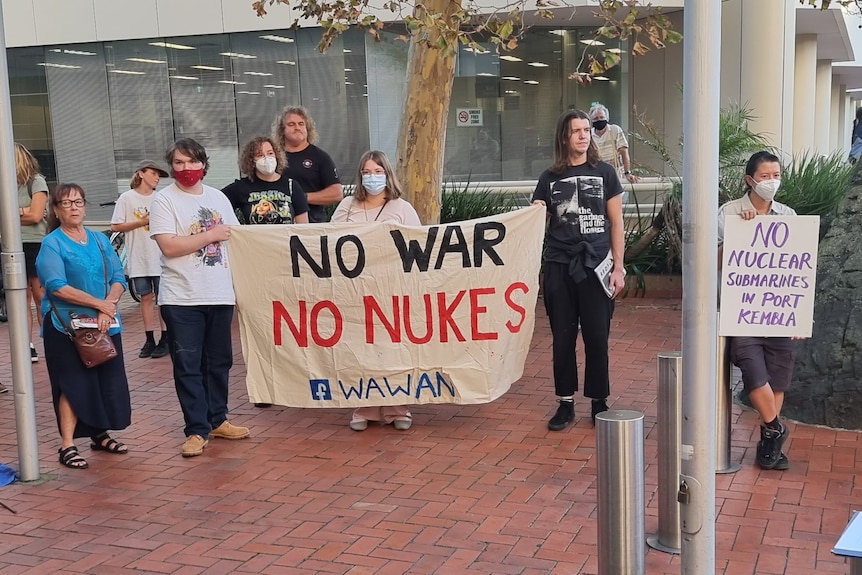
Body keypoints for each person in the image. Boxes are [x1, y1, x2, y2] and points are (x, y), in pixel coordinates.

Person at [149, 138, 249, 457]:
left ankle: (217, 418)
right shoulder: (163, 201)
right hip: (181, 297)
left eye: (192, 162)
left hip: (218, 293)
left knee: (219, 361)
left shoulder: (218, 198)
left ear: (203, 165)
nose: (186, 169)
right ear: (171, 167)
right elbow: (169, 246)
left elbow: (236, 242)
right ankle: (196, 429)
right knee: (188, 363)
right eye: (178, 163)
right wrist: (210, 235)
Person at [531, 109, 625, 431]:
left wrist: (619, 268)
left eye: (586, 129)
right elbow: (537, 225)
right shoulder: (548, 178)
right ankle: (565, 403)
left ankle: (599, 401)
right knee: (563, 337)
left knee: (598, 337)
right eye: (576, 131)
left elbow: (616, 223)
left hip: (597, 266)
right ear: (564, 137)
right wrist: (536, 211)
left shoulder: (606, 173)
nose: (584, 135)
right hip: (559, 266)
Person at [36, 183, 132, 470]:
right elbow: (56, 286)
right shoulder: (52, 243)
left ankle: (99, 434)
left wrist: (109, 305)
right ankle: (67, 444)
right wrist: (99, 304)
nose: (74, 208)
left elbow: (118, 276)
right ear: (56, 209)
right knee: (73, 385)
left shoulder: (100, 240)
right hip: (66, 327)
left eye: (78, 202)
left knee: (104, 381)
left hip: (104, 324)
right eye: (66, 203)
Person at [718, 150, 797, 471]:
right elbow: (714, 261)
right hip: (744, 310)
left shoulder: (789, 216)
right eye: (765, 176)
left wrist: (799, 311)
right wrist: (740, 232)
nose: (771, 182)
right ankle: (776, 428)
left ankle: (769, 442)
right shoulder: (729, 213)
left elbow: (797, 269)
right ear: (749, 179)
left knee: (777, 377)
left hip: (779, 310)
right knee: (753, 370)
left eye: (775, 175)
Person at [331, 150, 421, 431]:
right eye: (367, 172)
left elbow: (418, 247)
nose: (372, 177)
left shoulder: (402, 208)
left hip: (392, 290)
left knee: (393, 347)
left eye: (378, 172)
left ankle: (398, 406)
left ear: (388, 174)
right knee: (361, 346)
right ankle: (365, 405)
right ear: (359, 176)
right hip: (355, 292)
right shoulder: (347, 206)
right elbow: (327, 242)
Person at [223, 135, 309, 408]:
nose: (266, 158)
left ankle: (297, 379)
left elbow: (303, 227)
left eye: (270, 152)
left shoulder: (292, 186)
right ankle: (265, 384)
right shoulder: (238, 190)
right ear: (250, 159)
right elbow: (216, 209)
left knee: (293, 324)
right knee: (260, 327)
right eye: (259, 154)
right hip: (256, 267)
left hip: (288, 266)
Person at [110, 160, 170, 359]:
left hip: (160, 255)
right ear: (141, 174)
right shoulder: (127, 198)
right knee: (145, 297)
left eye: (158, 175)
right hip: (139, 255)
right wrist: (141, 222)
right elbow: (116, 225)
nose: (156, 178)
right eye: (153, 173)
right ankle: (149, 338)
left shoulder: (161, 197)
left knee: (163, 298)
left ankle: (166, 338)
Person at [273, 105, 343, 223]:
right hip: (278, 226)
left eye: (301, 124)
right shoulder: (273, 158)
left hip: (312, 227)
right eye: (291, 124)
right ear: (282, 130)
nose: (297, 127)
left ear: (307, 129)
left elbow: (336, 193)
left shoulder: (320, 157)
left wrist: (302, 198)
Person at [16, 143, 49, 363]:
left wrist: (12, 212)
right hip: (11, 244)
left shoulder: (36, 181)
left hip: (35, 243)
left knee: (40, 297)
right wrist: (22, 211)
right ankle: (27, 346)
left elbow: (36, 215)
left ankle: (50, 340)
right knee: (20, 297)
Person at [588, 104, 639, 185]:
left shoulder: (615, 130)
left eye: (602, 117)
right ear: (591, 121)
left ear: (607, 118)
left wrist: (627, 172)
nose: (599, 120)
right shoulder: (588, 134)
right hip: (596, 175)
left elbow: (624, 152)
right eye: (596, 118)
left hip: (615, 174)